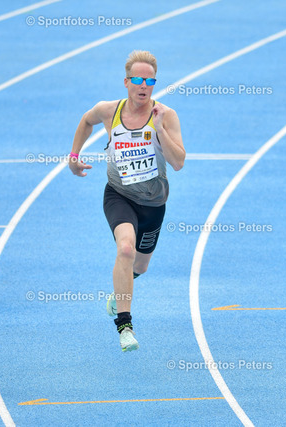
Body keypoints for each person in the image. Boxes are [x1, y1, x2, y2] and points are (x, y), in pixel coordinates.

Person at [68, 50, 185, 352]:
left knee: (140, 266)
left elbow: (178, 163)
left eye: (150, 81)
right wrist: (74, 156)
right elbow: (86, 121)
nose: (144, 86)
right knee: (125, 249)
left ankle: (122, 285)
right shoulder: (109, 111)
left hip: (154, 203)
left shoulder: (166, 115)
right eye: (138, 80)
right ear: (126, 82)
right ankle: (125, 326)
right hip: (118, 195)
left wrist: (160, 131)